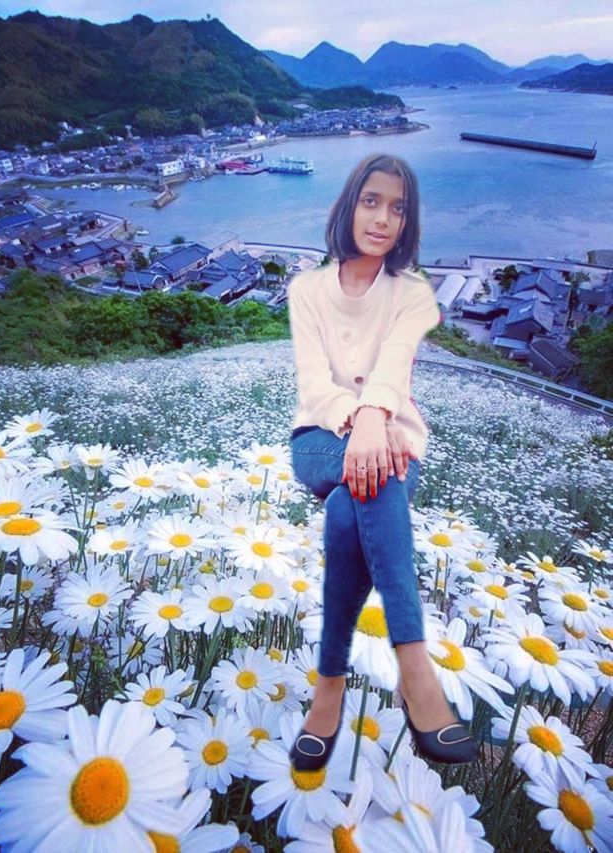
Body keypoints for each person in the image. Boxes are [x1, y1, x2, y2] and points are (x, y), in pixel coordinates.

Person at [287, 153, 480, 771]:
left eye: (398, 208)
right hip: (319, 439)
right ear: (350, 204)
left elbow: (395, 363)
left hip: (396, 441)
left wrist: (377, 418)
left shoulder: (413, 293)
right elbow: (314, 384)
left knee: (350, 509)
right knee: (376, 478)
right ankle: (416, 669)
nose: (382, 218)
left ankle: (329, 689)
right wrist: (360, 420)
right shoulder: (307, 290)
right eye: (371, 200)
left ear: (407, 222)